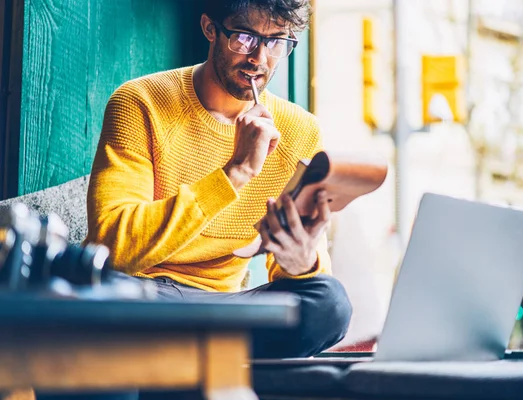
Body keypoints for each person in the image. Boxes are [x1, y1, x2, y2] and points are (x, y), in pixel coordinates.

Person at [87, 0, 351, 359]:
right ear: (210, 28)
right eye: (244, 37)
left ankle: (181, 355)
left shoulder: (299, 130)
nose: (259, 59)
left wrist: (303, 262)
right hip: (140, 292)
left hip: (225, 308)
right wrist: (236, 172)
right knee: (98, 292)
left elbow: (302, 283)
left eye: (276, 42)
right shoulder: (140, 102)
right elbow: (111, 246)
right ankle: (204, 359)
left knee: (329, 303)